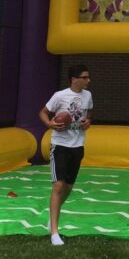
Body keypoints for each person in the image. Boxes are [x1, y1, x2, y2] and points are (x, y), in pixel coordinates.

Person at [40, 64, 93, 246]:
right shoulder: (59, 96)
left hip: (77, 146)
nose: (88, 80)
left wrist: (87, 122)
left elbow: (87, 115)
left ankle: (53, 216)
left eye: (88, 77)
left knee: (68, 187)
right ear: (74, 79)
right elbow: (43, 112)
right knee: (58, 185)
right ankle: (54, 232)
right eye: (84, 77)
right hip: (60, 145)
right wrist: (50, 124)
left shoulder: (88, 96)